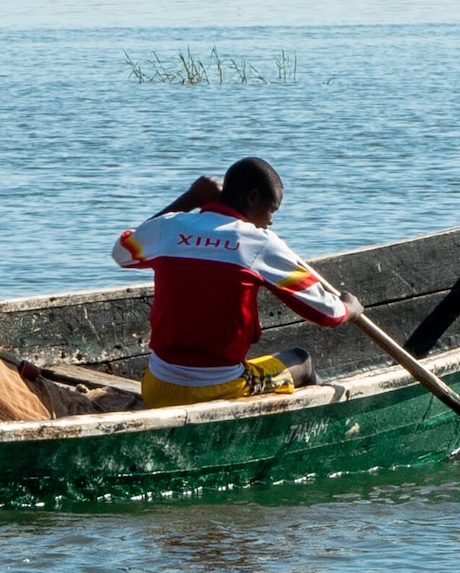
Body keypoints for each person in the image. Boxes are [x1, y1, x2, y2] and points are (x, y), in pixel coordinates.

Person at [111, 155, 357, 409]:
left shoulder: (171, 227)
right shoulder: (261, 243)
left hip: (156, 387)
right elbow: (328, 313)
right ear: (252, 198)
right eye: (271, 210)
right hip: (217, 389)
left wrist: (190, 199)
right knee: (300, 359)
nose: (270, 221)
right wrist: (350, 308)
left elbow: (121, 252)